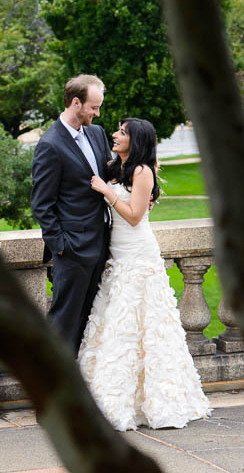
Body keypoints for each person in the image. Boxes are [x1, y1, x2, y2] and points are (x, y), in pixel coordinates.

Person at [82, 118, 211, 431]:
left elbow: (135, 216)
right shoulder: (117, 166)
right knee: (118, 325)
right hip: (119, 256)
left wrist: (104, 191)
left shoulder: (142, 172)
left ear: (135, 140)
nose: (114, 134)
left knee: (144, 327)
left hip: (139, 256)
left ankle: (152, 400)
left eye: (122, 132)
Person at [30, 74, 111, 355]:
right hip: (73, 251)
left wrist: (147, 187)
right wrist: (61, 246)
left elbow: (110, 174)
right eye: (93, 107)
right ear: (76, 103)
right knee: (64, 322)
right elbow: (41, 204)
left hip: (102, 244)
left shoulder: (97, 133)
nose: (97, 113)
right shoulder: (50, 145)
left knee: (89, 319)